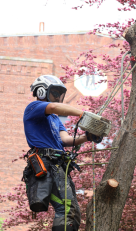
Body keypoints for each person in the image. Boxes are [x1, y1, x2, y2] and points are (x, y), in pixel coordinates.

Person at [22, 75, 102, 231]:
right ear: (41, 91)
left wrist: (86, 137)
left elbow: (65, 140)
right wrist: (82, 114)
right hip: (45, 166)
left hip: (58, 167)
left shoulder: (55, 119)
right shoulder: (33, 107)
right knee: (67, 211)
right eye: (55, 93)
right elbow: (52, 107)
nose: (58, 97)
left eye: (60, 94)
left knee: (72, 212)